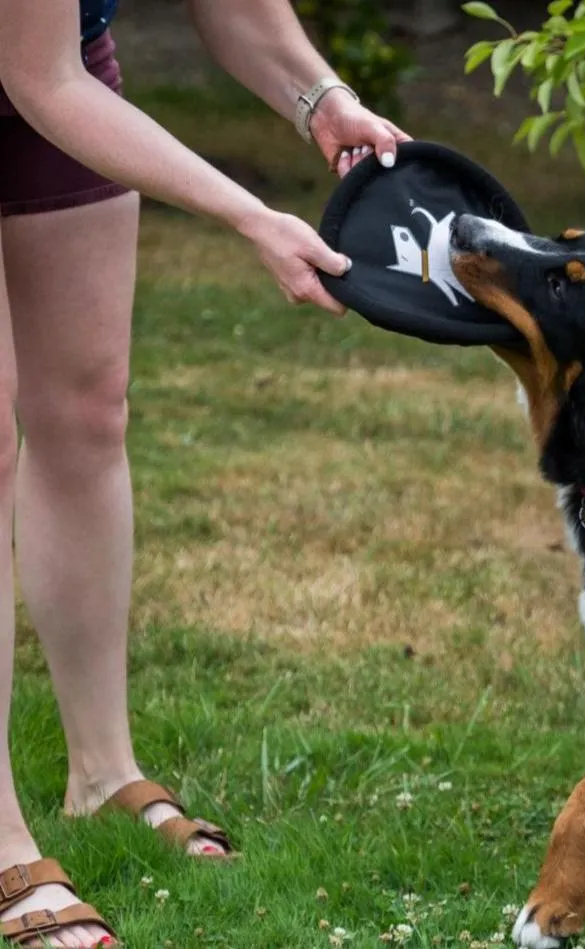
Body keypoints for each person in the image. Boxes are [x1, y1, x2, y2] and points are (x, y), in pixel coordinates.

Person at [0, 1, 410, 944]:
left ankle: (102, 772)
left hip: (52, 54)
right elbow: (41, 83)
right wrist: (249, 213)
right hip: (37, 67)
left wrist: (321, 99)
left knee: (88, 409)